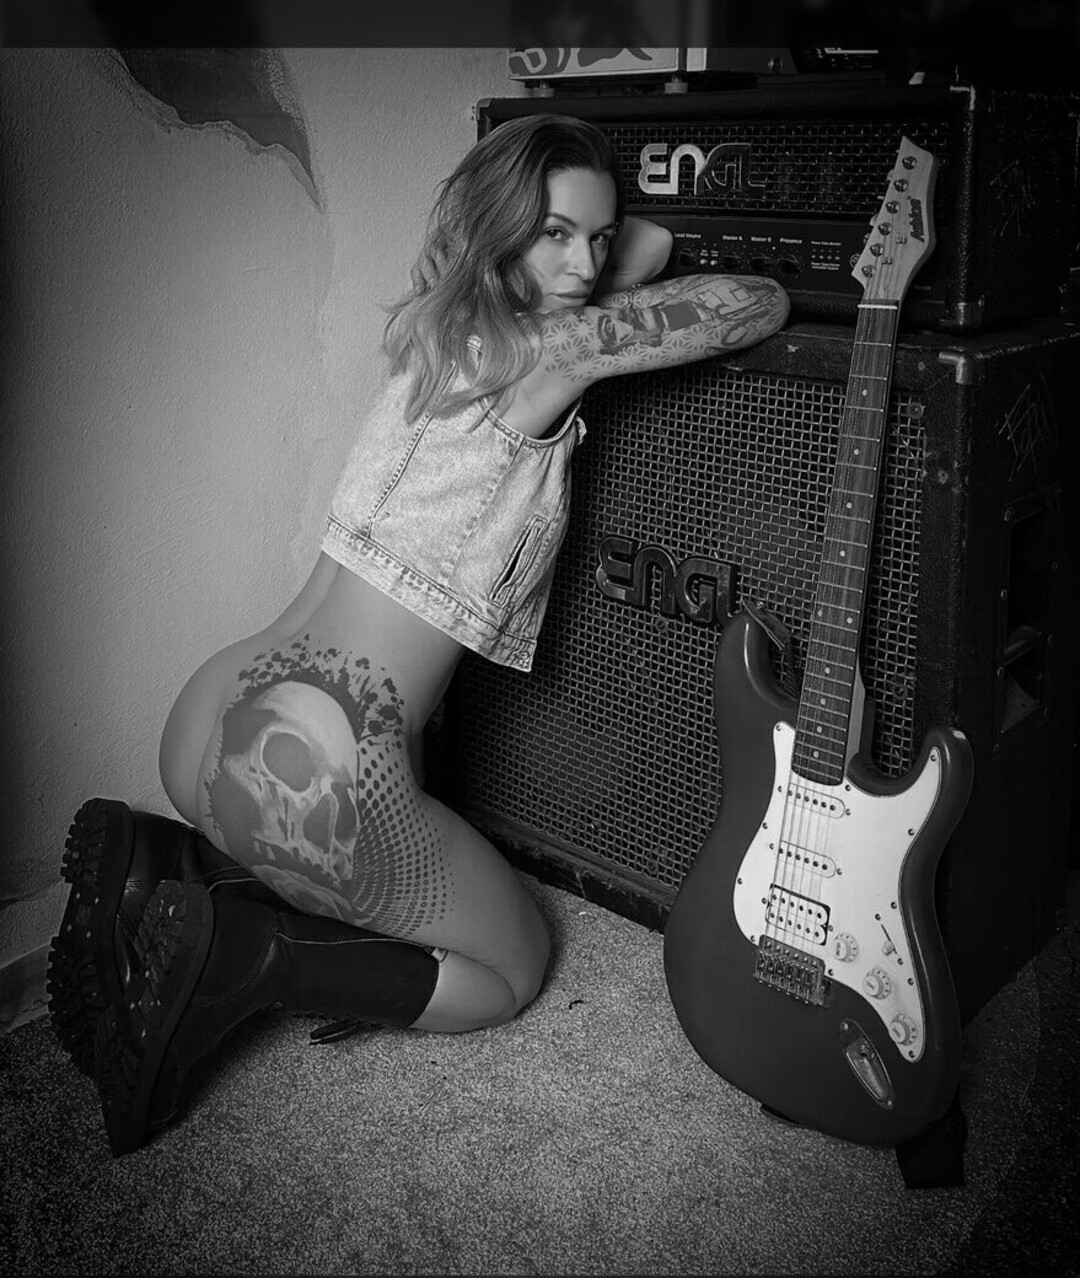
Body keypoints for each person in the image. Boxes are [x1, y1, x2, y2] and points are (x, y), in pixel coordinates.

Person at [48, 113, 790, 1157]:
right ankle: (252, 958)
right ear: (498, 230)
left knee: (370, 871)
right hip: (319, 766)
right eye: (554, 236)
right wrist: (603, 290)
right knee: (512, 968)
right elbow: (753, 303)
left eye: (595, 236)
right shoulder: (553, 352)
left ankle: (166, 866)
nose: (586, 265)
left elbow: (626, 247)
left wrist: (565, 235)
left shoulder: (436, 327)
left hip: (213, 711)